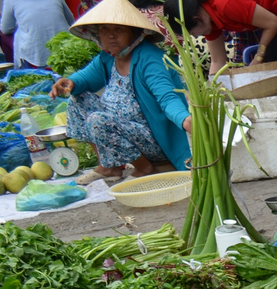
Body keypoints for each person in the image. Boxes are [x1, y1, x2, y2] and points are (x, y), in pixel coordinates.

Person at [49, 0, 191, 179]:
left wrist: (184, 119)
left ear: (134, 32)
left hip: (155, 141)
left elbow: (168, 98)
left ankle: (145, 167)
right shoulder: (108, 58)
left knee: (98, 120)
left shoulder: (150, 59)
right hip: (124, 133)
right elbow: (84, 78)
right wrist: (68, 83)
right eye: (104, 30)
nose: (110, 36)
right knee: (77, 100)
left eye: (118, 29)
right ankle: (108, 166)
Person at [162, 0, 277, 74]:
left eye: (193, 33)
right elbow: (217, 61)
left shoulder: (225, 5)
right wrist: (212, 89)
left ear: (197, 18)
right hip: (271, 15)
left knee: (276, 64)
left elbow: (272, 23)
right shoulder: (208, 21)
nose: (197, 36)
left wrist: (258, 58)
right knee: (269, 65)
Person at [0, 0, 72, 69]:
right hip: (65, 49)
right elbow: (71, 21)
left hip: (35, 55)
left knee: (13, 34)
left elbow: (6, 29)